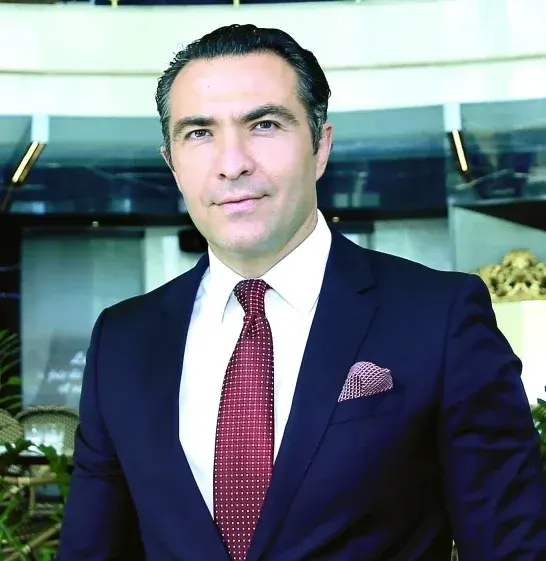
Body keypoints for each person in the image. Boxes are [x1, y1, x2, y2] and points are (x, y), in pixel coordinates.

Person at [57, 24, 546, 561]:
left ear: (320, 145)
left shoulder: (438, 317)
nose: (232, 163)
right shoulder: (124, 340)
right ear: (172, 163)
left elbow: (511, 548)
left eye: (264, 125)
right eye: (198, 133)